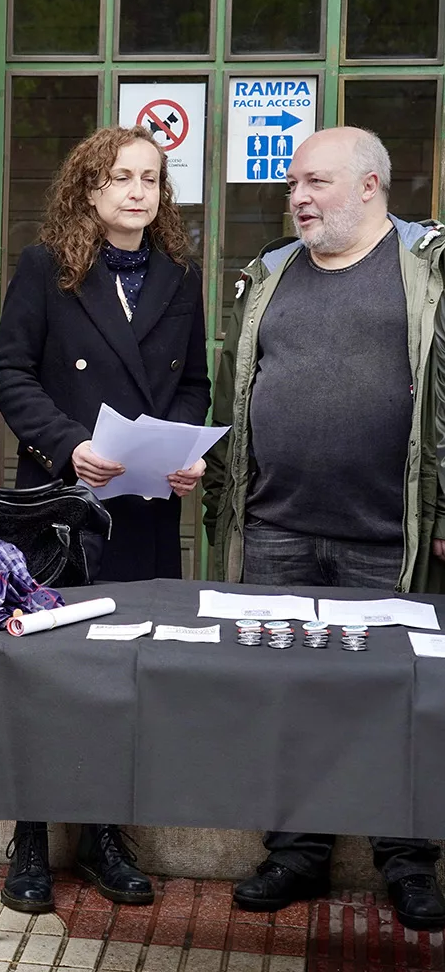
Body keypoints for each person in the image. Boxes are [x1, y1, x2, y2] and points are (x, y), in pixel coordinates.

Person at [205, 126, 445, 930]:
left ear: (371, 185)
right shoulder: (269, 273)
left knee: (399, 703)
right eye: (291, 186)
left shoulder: (428, 273)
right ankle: (296, 853)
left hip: (389, 535)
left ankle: (408, 862)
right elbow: (233, 394)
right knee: (290, 700)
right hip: (276, 530)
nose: (298, 198)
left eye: (316, 183)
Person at [0, 125, 210, 913]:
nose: (138, 192)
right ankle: (34, 837)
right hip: (61, 505)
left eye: (151, 179)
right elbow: (7, 370)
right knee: (50, 673)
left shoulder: (181, 273)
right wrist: (68, 445)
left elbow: (195, 385)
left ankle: (108, 836)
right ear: (90, 189)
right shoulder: (48, 266)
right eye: (122, 177)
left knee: (126, 677)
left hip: (144, 508)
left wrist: (186, 449)